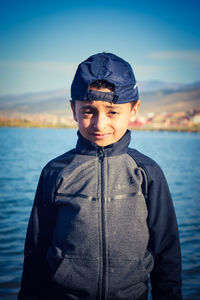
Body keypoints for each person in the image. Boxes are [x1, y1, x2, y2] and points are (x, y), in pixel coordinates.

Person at [18, 52, 182, 300]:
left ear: (134, 110)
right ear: (73, 109)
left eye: (112, 112)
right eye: (88, 111)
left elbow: (166, 253)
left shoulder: (147, 172)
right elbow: (36, 251)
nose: (99, 124)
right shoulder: (55, 172)